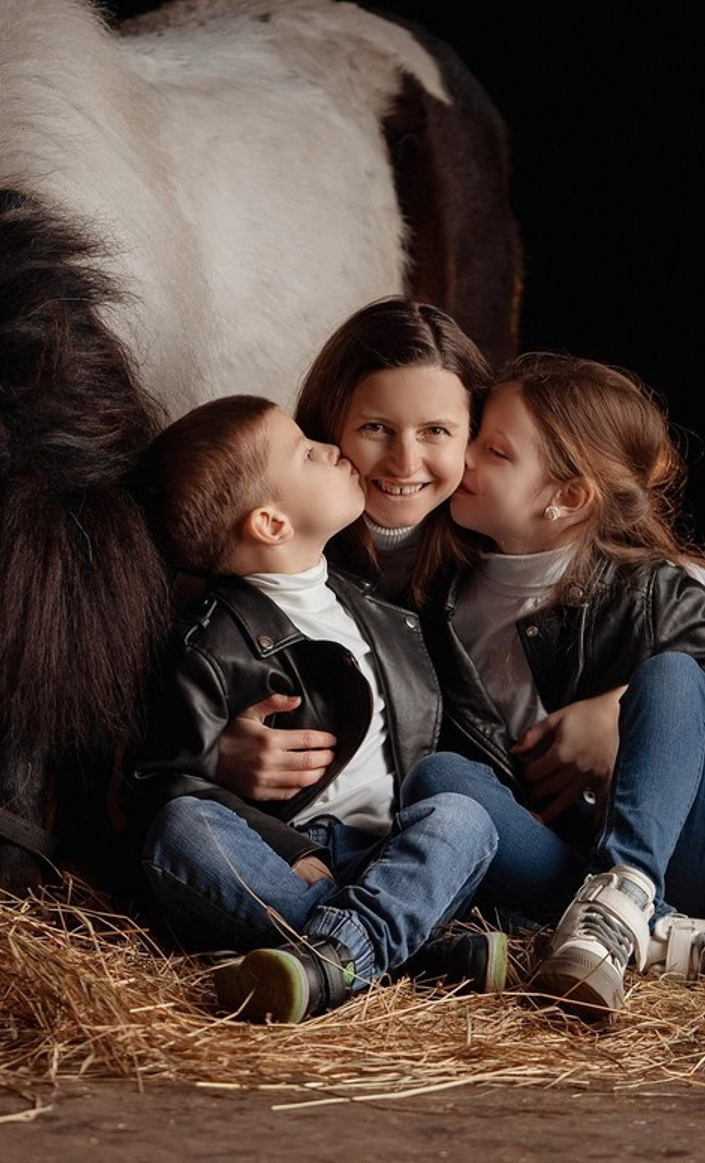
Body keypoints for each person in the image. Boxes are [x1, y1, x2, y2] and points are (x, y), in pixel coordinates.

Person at [401, 351, 705, 1021]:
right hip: (554, 865)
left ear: (566, 497)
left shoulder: (651, 592)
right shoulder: (444, 598)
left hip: (684, 863)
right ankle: (657, 938)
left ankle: (626, 898)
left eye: (495, 450)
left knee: (673, 676)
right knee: (438, 779)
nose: (465, 458)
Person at [220, 298, 705, 842]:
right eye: (375, 428)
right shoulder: (281, 544)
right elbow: (198, 672)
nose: (405, 462)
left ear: (472, 435)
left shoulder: (497, 538)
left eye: (437, 431)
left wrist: (626, 708)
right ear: (330, 424)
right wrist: (216, 751)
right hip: (387, 832)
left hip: (524, 828)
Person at [121, 394, 505, 1024]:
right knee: (182, 829)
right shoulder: (208, 644)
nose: (331, 449)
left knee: (462, 817)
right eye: (307, 451)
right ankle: (398, 952)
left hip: (390, 854)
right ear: (271, 524)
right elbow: (158, 783)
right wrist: (283, 843)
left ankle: (331, 957)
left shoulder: (380, 610)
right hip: (285, 862)